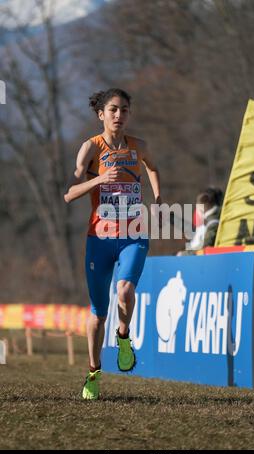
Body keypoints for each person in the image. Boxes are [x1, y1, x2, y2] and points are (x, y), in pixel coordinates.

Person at [64, 88, 161, 400]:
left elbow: (153, 167)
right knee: (98, 313)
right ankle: (93, 372)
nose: (119, 116)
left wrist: (158, 200)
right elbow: (69, 192)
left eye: (125, 110)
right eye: (113, 110)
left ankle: (123, 336)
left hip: (134, 231)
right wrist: (98, 180)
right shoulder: (90, 147)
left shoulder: (139, 146)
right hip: (100, 239)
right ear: (101, 114)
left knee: (125, 291)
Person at [177, 187, 223, 255]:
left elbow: (204, 251)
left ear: (201, 209)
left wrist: (183, 255)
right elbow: (187, 228)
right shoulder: (209, 222)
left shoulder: (213, 224)